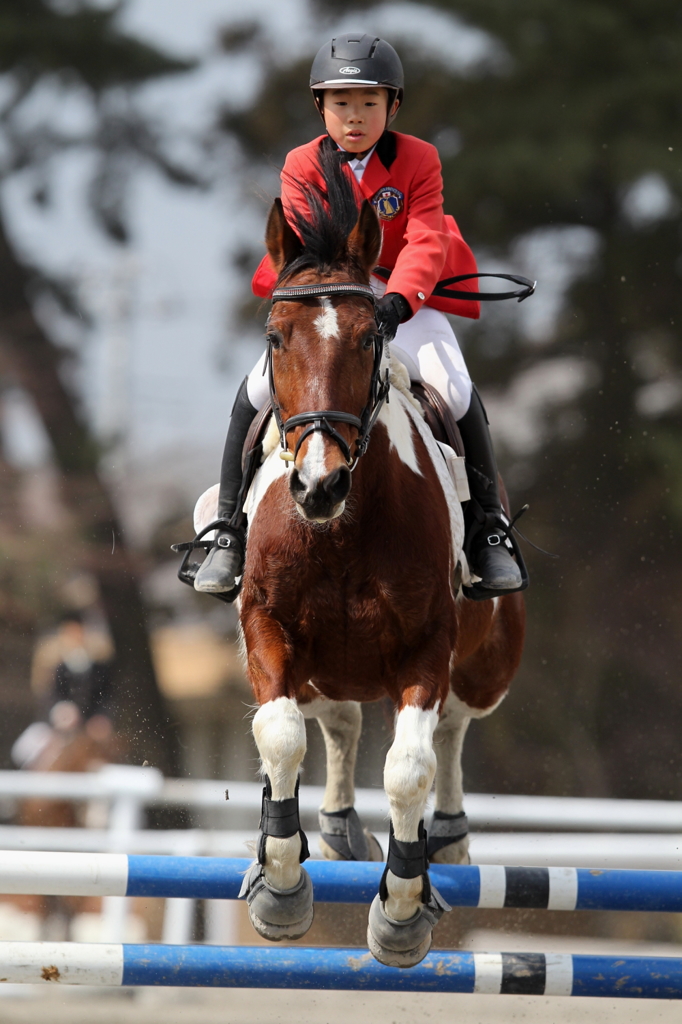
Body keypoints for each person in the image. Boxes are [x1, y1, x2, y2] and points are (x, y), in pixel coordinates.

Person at [195, 34, 524, 599]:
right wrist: (347, 300)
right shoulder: (302, 163)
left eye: (369, 103)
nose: (355, 117)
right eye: (341, 103)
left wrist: (400, 299)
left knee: (455, 386)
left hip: (403, 297)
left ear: (392, 107)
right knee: (254, 391)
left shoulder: (419, 158)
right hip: (330, 294)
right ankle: (226, 528)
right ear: (320, 106)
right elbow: (306, 249)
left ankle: (488, 532)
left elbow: (425, 239)